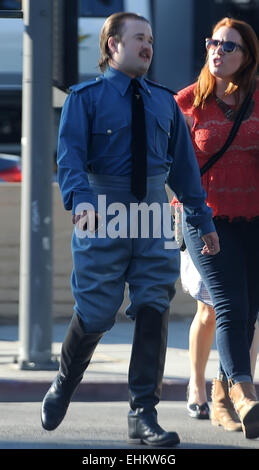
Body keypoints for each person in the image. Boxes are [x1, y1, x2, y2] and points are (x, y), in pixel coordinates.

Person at [40, 12, 219, 447]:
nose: (148, 46)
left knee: (155, 305)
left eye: (152, 40)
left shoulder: (165, 102)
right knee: (98, 311)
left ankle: (143, 414)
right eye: (139, 38)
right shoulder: (85, 98)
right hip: (103, 209)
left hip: (154, 213)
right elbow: (70, 161)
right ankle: (65, 382)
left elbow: (185, 172)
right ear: (111, 46)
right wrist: (81, 203)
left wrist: (202, 219)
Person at [175, 17, 259, 439]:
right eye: (214, 43)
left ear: (246, 58)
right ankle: (243, 393)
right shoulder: (187, 103)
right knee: (224, 305)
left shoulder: (258, 99)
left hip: (254, 218)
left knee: (249, 312)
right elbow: (169, 166)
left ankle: (223, 393)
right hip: (206, 219)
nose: (218, 52)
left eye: (229, 47)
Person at [180, 248, 259, 426]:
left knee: (248, 315)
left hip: (247, 228)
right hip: (207, 233)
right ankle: (197, 384)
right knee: (208, 312)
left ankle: (243, 395)